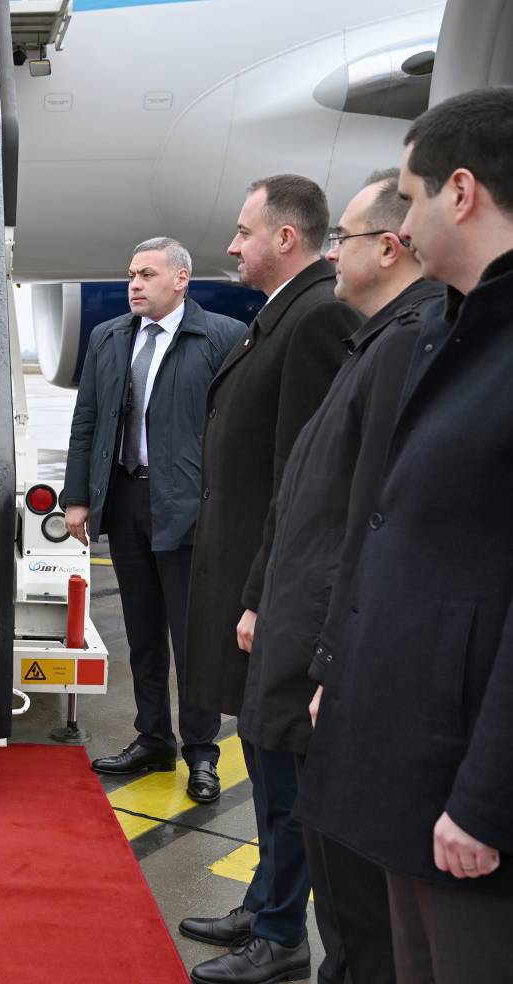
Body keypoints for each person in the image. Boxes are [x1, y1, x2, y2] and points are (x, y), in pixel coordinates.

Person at [297, 86, 513, 984]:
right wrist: (339, 677)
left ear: (461, 192)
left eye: (413, 196)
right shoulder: (449, 330)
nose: (405, 220)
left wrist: (488, 798)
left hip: (466, 793)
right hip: (407, 770)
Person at [239, 169, 442, 984]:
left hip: (328, 661)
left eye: (343, 240)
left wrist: (332, 659)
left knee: (359, 909)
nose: (332, 255)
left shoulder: (400, 347)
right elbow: (313, 499)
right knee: (341, 897)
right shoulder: (373, 341)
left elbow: (374, 524)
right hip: (308, 644)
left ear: (388, 249)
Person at [181, 175, 359, 984]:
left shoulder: (316, 317)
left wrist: (259, 594)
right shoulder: (283, 313)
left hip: (273, 590)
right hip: (252, 579)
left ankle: (283, 935)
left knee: (283, 768)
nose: (232, 245)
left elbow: (301, 478)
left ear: (285, 237)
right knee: (262, 758)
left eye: (244, 231)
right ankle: (263, 903)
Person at [62, 237, 242, 801]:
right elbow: (87, 419)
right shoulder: (110, 336)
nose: (134, 285)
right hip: (126, 499)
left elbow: (237, 430)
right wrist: (78, 496)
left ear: (181, 279)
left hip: (189, 507)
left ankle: (202, 752)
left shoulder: (221, 337)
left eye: (147, 274)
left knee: (193, 637)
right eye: (131, 275)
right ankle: (153, 739)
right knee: (142, 632)